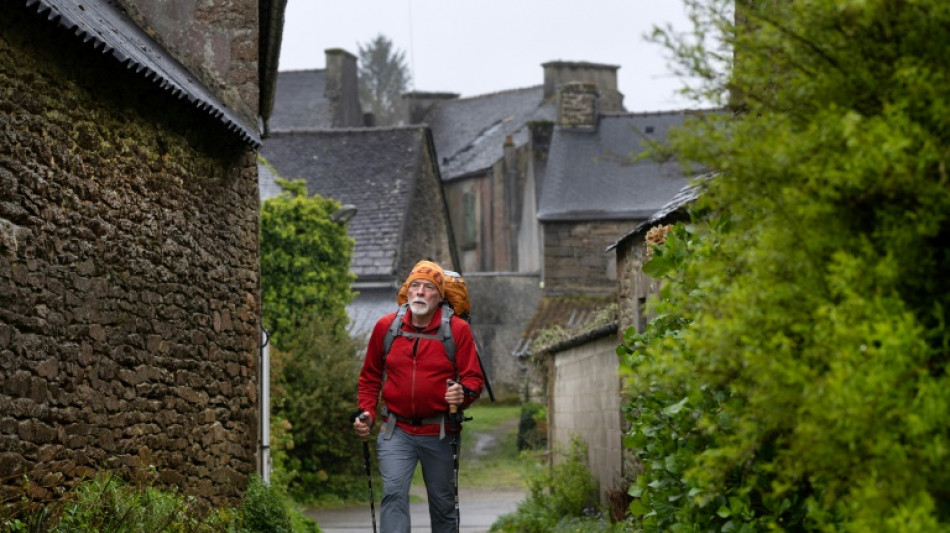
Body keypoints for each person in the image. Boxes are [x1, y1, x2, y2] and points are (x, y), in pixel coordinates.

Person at [353, 260, 485, 533]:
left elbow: (473, 379)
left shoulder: (457, 330)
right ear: (407, 291)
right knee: (393, 494)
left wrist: (462, 394)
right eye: (415, 286)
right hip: (395, 429)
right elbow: (370, 377)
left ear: (439, 296)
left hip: (440, 431)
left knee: (443, 504)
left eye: (429, 287)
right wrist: (366, 412)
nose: (421, 292)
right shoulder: (386, 327)